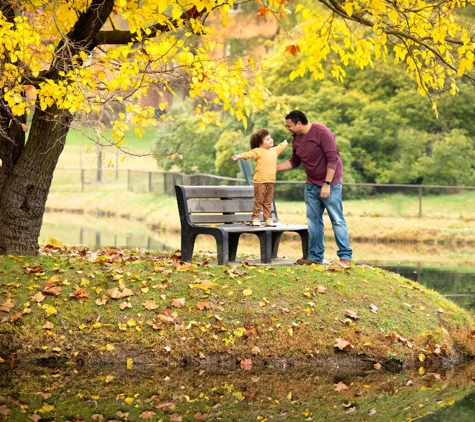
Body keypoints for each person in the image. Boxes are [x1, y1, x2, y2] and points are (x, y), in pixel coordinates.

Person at [276, 110, 352, 267]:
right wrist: (273, 168)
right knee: (313, 222)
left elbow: (333, 159)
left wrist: (327, 183)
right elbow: (294, 162)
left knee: (337, 220)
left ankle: (345, 258)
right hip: (311, 186)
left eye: (289, 126)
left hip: (330, 184)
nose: (287, 128)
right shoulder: (296, 140)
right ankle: (315, 256)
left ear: (299, 123)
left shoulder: (321, 132)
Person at [232, 129, 288, 227]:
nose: (271, 140)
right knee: (259, 200)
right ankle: (255, 218)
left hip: (270, 181)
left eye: (270, 138)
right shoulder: (258, 151)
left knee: (268, 201)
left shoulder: (274, 150)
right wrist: (239, 156)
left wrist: (292, 137)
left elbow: (282, 146)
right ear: (261, 144)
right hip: (260, 181)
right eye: (267, 139)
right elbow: (249, 154)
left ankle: (268, 219)